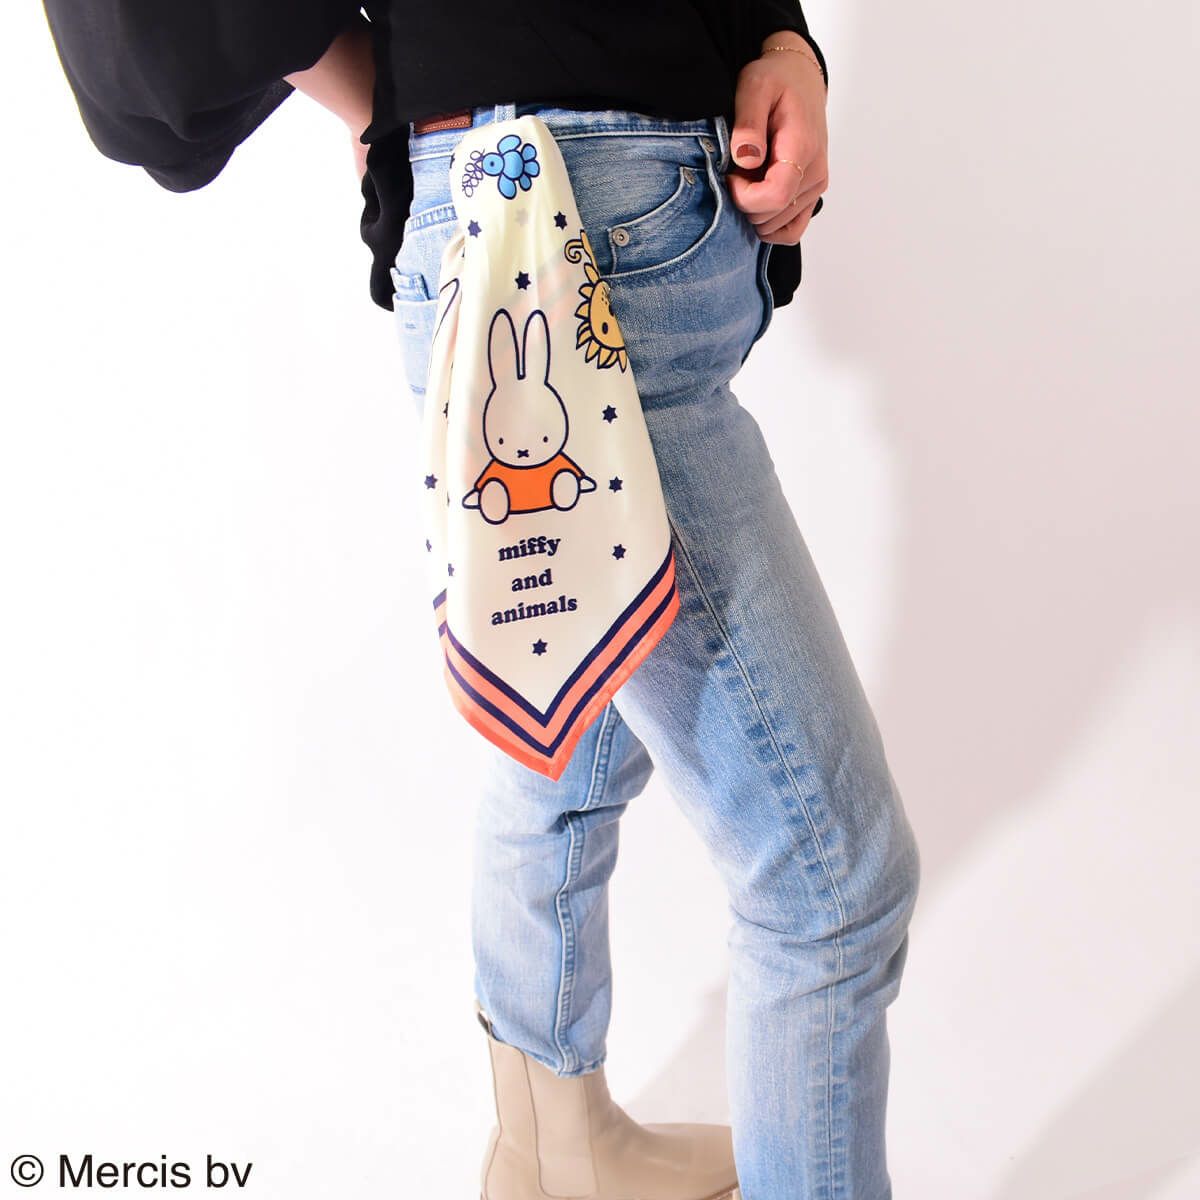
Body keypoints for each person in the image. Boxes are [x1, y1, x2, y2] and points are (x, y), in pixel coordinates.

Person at [41, 4, 921, 1197]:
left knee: (570, 718)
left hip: (591, 205)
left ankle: (555, 1150)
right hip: (567, 226)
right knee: (829, 886)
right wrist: (388, 89)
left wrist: (782, 45)